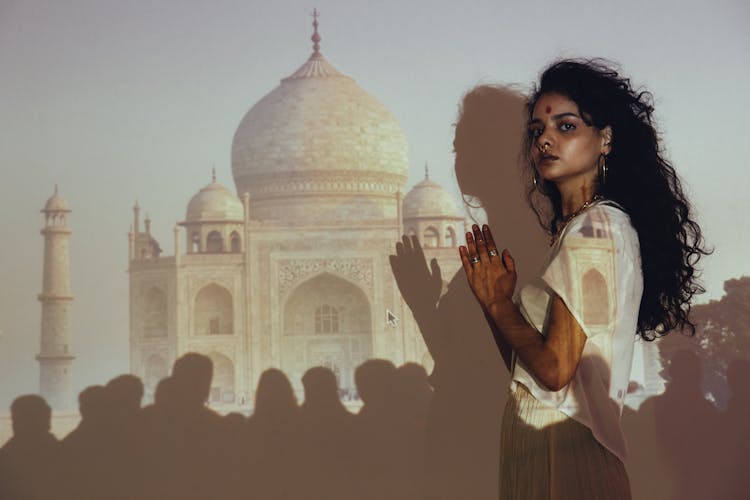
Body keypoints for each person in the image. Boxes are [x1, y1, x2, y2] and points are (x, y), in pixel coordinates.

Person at [458, 59, 708, 499]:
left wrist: (499, 307)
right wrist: (494, 302)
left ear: (605, 139)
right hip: (543, 440)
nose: (546, 139)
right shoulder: (580, 230)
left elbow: (555, 372)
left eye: (566, 126)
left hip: (561, 449)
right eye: (537, 130)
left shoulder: (597, 229)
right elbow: (529, 370)